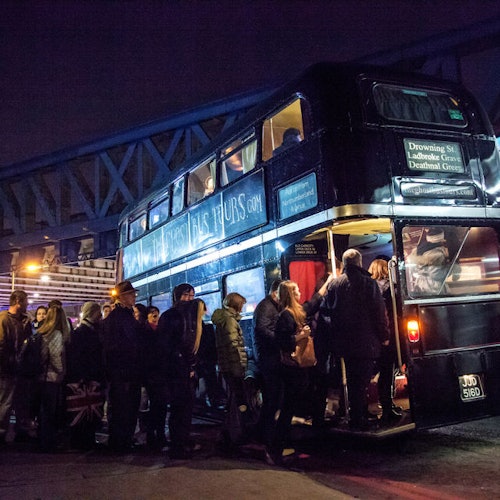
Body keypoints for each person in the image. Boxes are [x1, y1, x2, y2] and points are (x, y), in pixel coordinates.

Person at [266, 276, 333, 465]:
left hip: (299, 367)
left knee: (291, 407)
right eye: (296, 291)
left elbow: (314, 301)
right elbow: (282, 342)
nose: (300, 293)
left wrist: (328, 281)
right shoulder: (285, 316)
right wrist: (300, 336)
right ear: (290, 294)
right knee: (288, 409)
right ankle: (274, 450)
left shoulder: (296, 312)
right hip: (292, 368)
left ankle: (280, 445)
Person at [323, 249, 389, 431]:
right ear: (360, 263)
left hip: (343, 343)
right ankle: (359, 419)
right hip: (366, 341)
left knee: (353, 381)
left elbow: (326, 312)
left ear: (344, 264)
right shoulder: (369, 284)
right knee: (362, 381)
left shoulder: (334, 285)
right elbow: (379, 313)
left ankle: (357, 414)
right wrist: (384, 336)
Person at [156, 283, 205, 459]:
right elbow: (167, 345)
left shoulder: (190, 317)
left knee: (186, 408)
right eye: (186, 295)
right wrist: (184, 363)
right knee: (179, 408)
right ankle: (177, 445)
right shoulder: (171, 317)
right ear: (178, 297)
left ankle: (183, 440)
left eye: (192, 296)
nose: (190, 299)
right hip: (177, 370)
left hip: (186, 368)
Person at [101, 280, 144, 452]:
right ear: (123, 297)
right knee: (124, 407)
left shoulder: (120, 316)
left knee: (123, 407)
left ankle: (122, 440)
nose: (134, 297)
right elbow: (126, 345)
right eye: (132, 294)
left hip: (122, 372)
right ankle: (121, 441)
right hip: (124, 372)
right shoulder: (121, 317)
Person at [65, 301, 106, 450]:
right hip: (87, 378)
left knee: (87, 410)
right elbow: (81, 356)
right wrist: (85, 376)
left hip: (87, 377)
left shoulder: (81, 331)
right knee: (86, 410)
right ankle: (83, 440)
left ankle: (85, 439)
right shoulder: (84, 332)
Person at [367, 258, 403, 424]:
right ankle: (388, 405)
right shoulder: (391, 287)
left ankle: (380, 404)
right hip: (390, 334)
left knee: (377, 371)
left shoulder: (368, 288)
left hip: (372, 337)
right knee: (388, 371)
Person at [211, 292, 248, 448]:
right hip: (233, 366)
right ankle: (233, 435)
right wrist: (240, 367)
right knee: (237, 402)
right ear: (237, 305)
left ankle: (229, 434)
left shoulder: (224, 319)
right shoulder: (230, 321)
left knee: (233, 401)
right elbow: (233, 346)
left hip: (227, 366)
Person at [252, 279, 282, 449]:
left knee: (273, 397)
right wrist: (282, 339)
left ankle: (264, 431)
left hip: (269, 357)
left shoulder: (270, 306)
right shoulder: (266, 307)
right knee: (271, 398)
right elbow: (262, 330)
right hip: (267, 358)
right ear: (274, 292)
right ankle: (265, 434)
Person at [0, 290, 33, 445]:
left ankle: (18, 432)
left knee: (19, 402)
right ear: (19, 301)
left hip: (19, 369)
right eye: (26, 301)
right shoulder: (4, 320)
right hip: (8, 370)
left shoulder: (22, 321)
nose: (28, 304)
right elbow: (2, 346)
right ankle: (2, 433)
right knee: (5, 402)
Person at [36, 304, 67, 452]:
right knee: (50, 412)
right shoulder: (56, 334)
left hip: (41, 376)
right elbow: (55, 356)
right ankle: (48, 443)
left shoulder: (42, 332)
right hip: (51, 377)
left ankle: (42, 440)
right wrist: (61, 372)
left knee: (43, 411)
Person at [407, 228, 451, 295]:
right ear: (441, 238)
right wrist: (450, 269)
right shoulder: (436, 254)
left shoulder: (418, 250)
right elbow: (436, 274)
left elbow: (413, 269)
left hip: (420, 284)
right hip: (433, 287)